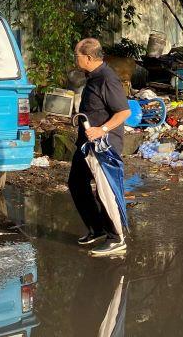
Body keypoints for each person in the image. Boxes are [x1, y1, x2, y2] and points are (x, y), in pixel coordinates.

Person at [69, 38, 131, 256]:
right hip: (86, 144)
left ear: (87, 57)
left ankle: (116, 238)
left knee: (105, 191)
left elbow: (124, 112)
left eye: (77, 55)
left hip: (103, 145)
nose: (75, 59)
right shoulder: (92, 76)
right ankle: (97, 229)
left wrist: (102, 130)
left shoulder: (107, 78)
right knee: (76, 183)